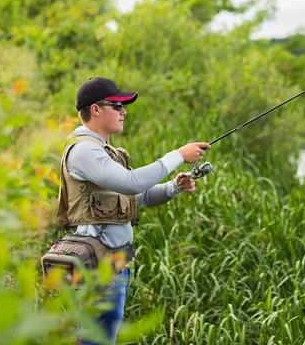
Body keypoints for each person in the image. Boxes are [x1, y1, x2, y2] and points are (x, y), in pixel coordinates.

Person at [55, 76, 211, 344]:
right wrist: (177, 155)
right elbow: (131, 182)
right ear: (96, 109)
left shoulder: (107, 153)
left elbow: (141, 196)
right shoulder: (83, 151)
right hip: (94, 268)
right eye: (117, 105)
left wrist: (174, 186)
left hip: (115, 266)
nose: (124, 111)